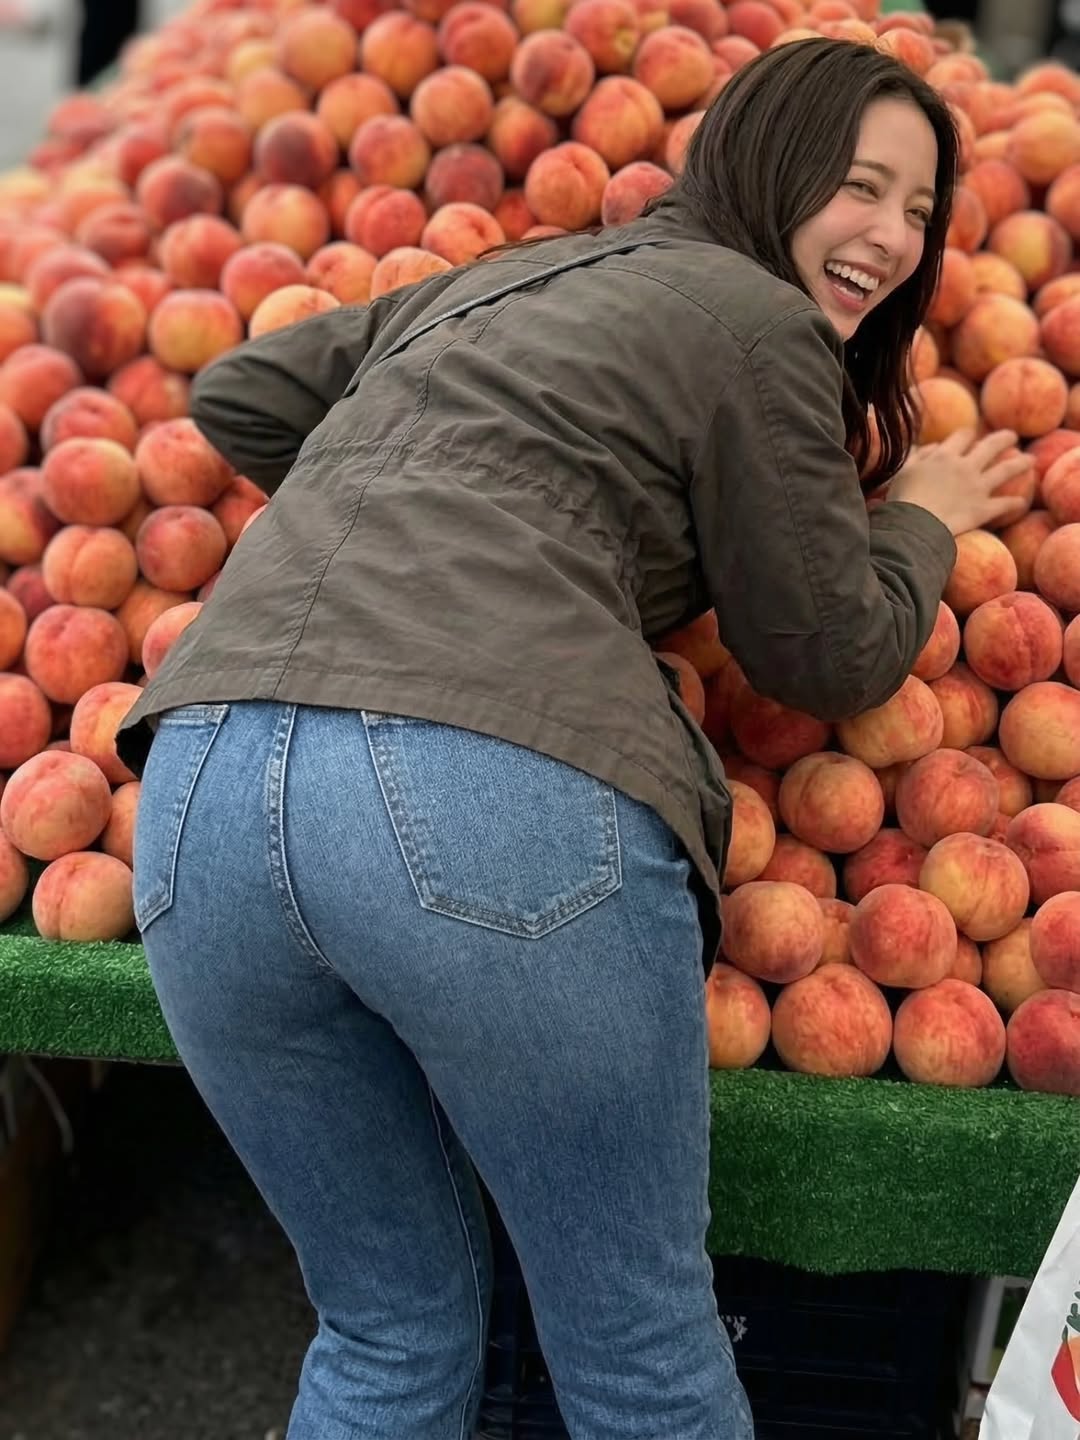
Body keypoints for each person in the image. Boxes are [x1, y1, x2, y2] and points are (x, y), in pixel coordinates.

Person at [116, 37, 1031, 1440]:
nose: (895, 237)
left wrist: (421, 507)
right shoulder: (756, 317)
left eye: (920, 208)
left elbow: (240, 391)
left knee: (382, 1334)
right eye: (860, 186)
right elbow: (830, 655)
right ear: (766, 164)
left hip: (202, 792)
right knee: (636, 1357)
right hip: (485, 794)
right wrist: (918, 518)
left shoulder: (497, 283)